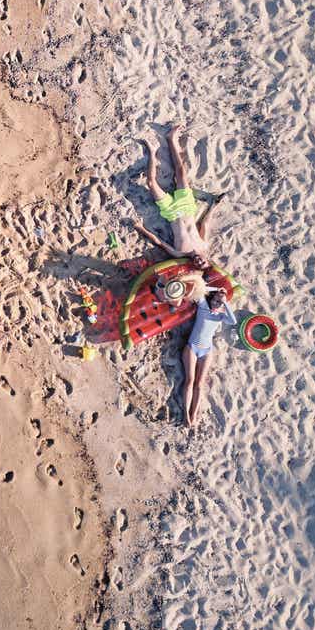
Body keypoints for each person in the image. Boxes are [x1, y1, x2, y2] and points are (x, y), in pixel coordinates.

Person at [135, 125, 225, 261]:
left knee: (151, 183)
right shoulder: (204, 245)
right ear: (207, 260)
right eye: (203, 262)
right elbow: (205, 224)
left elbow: (159, 243)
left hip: (170, 211)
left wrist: (141, 229)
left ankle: (152, 152)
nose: (199, 261)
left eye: (197, 264)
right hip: (186, 206)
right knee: (181, 172)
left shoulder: (179, 254)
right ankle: (171, 138)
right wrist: (214, 206)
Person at [181, 289, 236, 427]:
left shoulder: (221, 316)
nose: (217, 303)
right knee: (190, 380)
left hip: (207, 351)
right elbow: (199, 288)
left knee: (200, 383)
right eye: (216, 300)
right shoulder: (204, 306)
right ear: (211, 299)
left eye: (220, 302)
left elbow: (233, 321)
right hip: (192, 348)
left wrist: (225, 302)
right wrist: (216, 291)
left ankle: (194, 414)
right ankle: (186, 414)